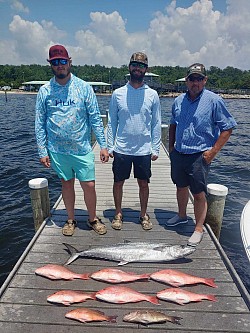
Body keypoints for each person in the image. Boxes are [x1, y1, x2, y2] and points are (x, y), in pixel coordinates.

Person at [35, 44, 109, 236]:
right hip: (58, 150)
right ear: (51, 65)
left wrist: (103, 145)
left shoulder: (84, 88)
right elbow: (39, 122)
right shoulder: (44, 91)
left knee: (89, 185)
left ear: (70, 62)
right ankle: (70, 219)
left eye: (63, 61)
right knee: (66, 183)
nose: (60, 65)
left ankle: (92, 218)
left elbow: (95, 117)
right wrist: (42, 150)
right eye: (55, 62)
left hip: (82, 148)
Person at [166, 63, 237, 246]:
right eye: (192, 79)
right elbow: (173, 124)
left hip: (199, 155)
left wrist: (213, 152)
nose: (195, 82)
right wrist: (171, 147)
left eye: (199, 79)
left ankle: (198, 228)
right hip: (179, 152)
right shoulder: (178, 100)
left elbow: (227, 127)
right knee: (180, 187)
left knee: (198, 193)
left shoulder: (214, 100)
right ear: (186, 81)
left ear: (204, 80)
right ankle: (181, 215)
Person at [107, 52, 161, 231]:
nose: (138, 68)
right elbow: (112, 121)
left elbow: (156, 123)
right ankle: (118, 213)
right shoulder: (118, 93)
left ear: (146, 69)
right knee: (118, 182)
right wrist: (109, 146)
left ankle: (143, 214)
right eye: (135, 65)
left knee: (144, 183)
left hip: (144, 149)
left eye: (142, 65)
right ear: (129, 67)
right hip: (121, 147)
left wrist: (156, 148)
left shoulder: (153, 94)